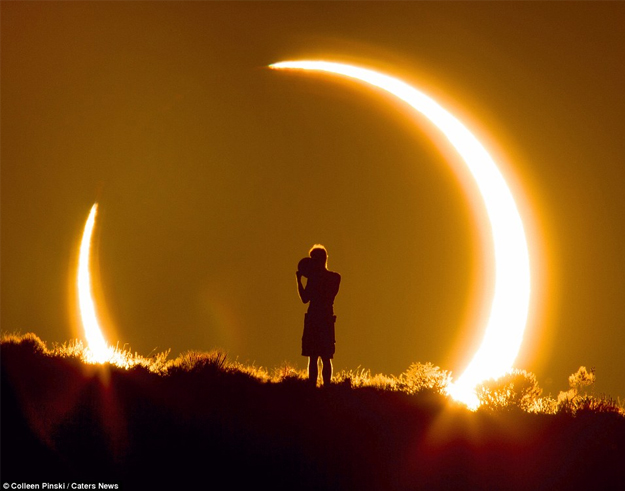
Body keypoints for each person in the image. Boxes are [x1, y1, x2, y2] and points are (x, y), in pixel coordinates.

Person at [296, 245, 341, 387]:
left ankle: (313, 387)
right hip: (326, 319)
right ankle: (326, 387)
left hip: (315, 318)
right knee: (325, 357)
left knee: (314, 356)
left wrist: (299, 280)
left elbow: (304, 299)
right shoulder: (335, 278)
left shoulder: (316, 279)